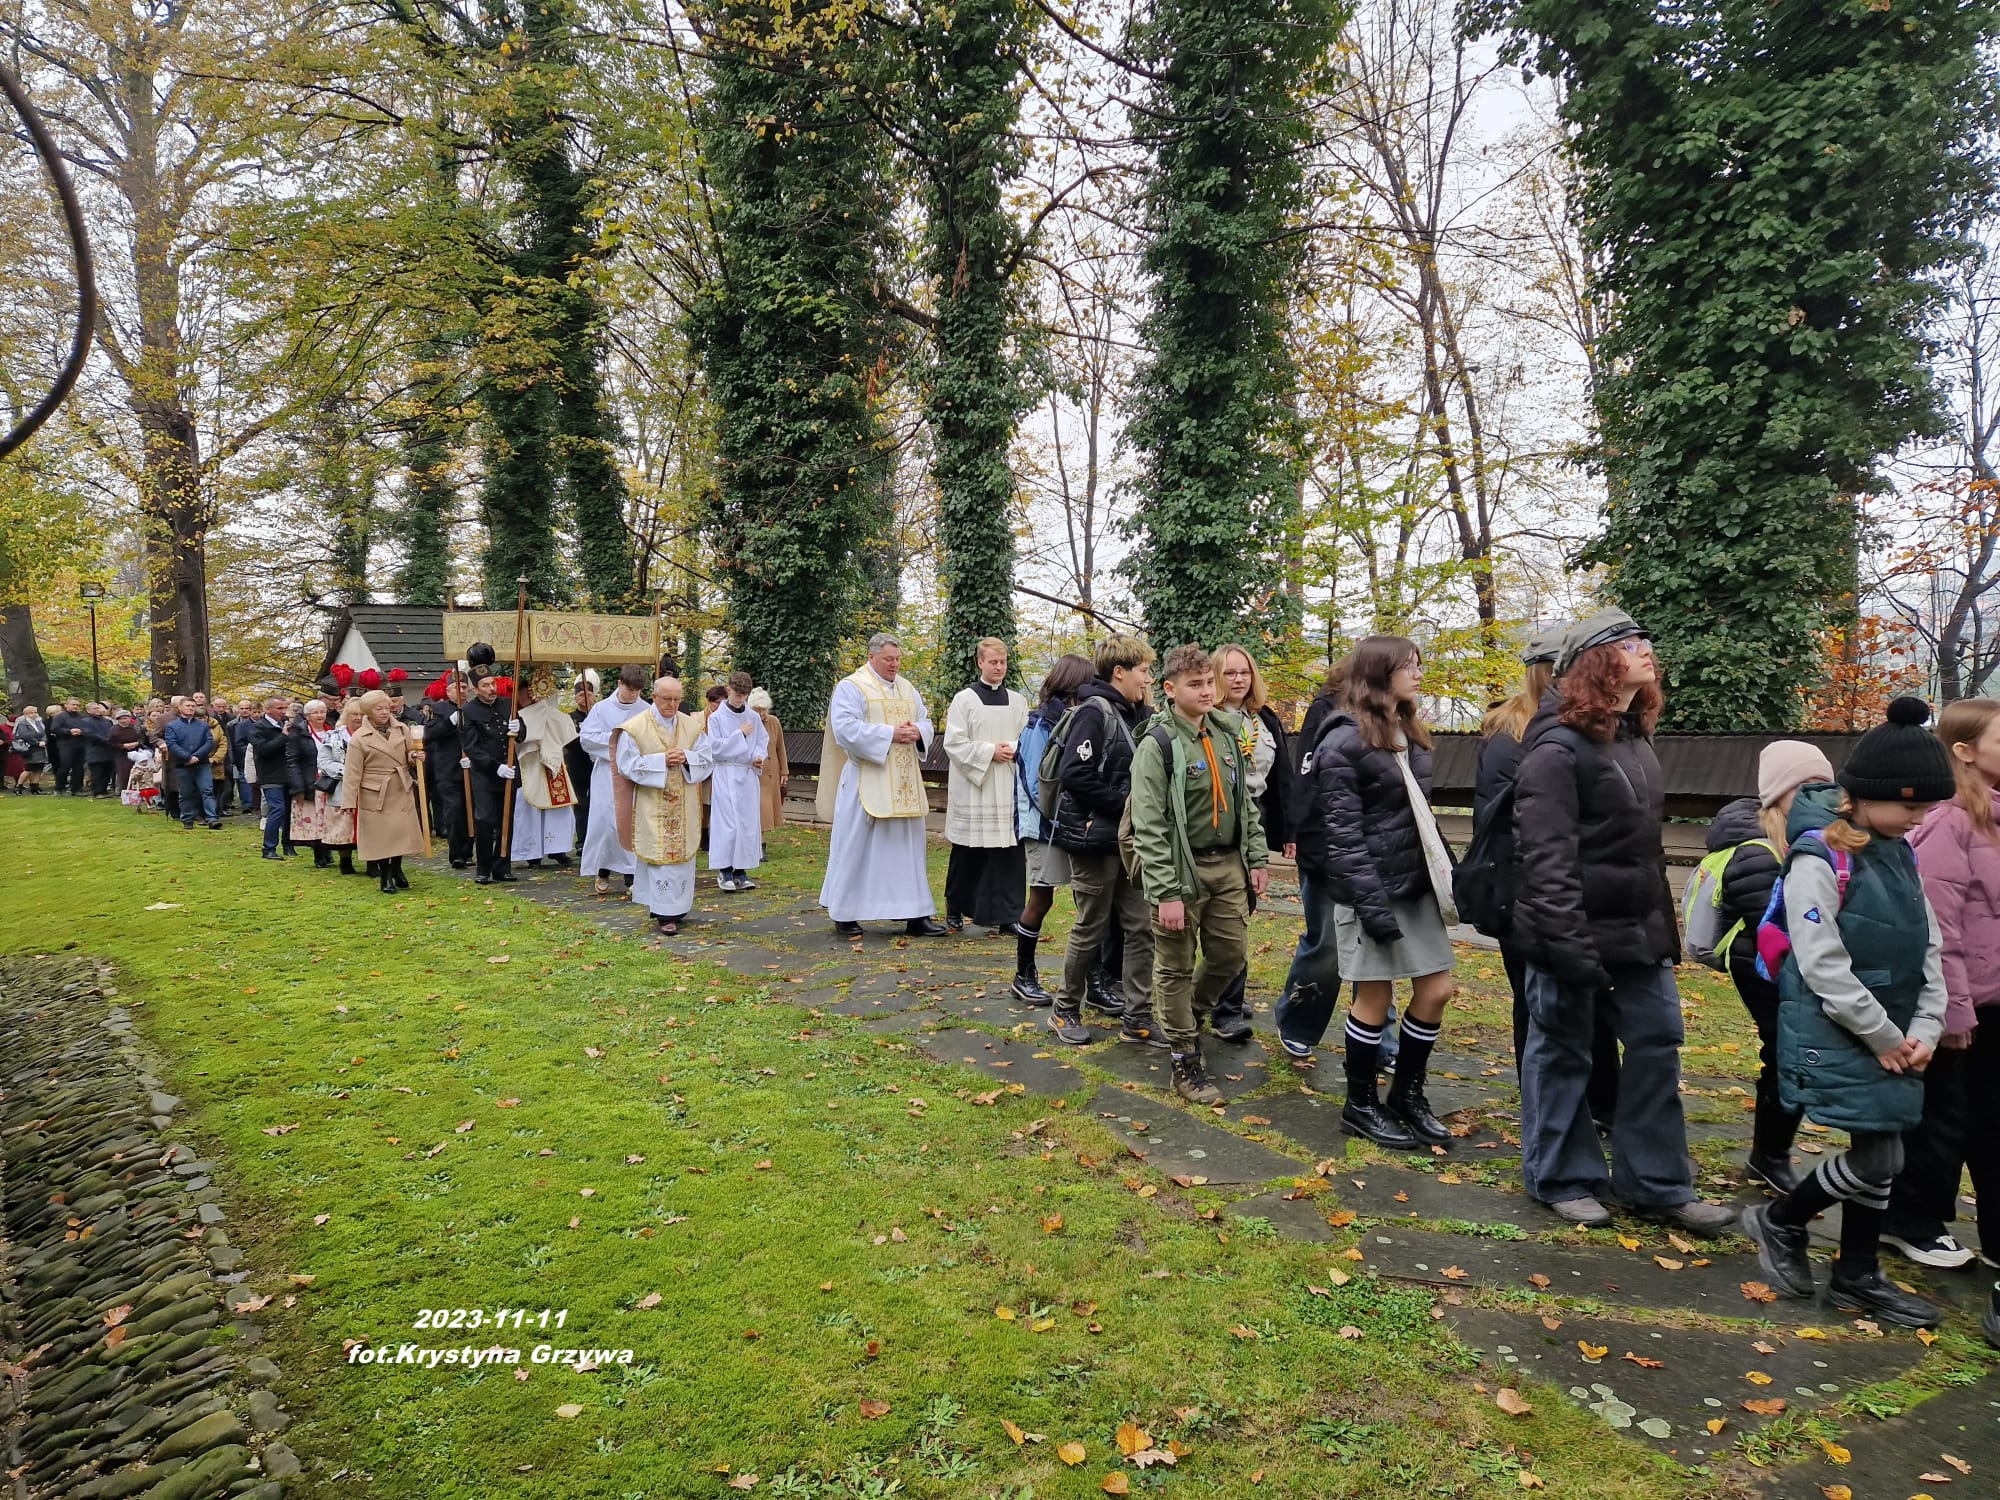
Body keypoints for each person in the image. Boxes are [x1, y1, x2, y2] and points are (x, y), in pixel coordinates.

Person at [1514, 608, 1731, 1233]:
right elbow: (1544, 861)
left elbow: (1642, 855)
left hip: (1638, 937)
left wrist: (1662, 934)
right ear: (1596, 662)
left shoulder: (1635, 739)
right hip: (1570, 937)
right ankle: (1561, 1178)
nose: (1645, 650)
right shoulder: (1556, 748)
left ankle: (1657, 1184)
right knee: (1561, 1054)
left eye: (1645, 640)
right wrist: (1570, 950)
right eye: (1629, 643)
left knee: (1658, 1046)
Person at [1738, 698, 1953, 1329]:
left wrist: (1926, 1025)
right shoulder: (1819, 859)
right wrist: (1885, 1035)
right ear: (1865, 795)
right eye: (1910, 807)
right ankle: (1780, 1219)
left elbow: (1928, 942)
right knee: (1880, 1157)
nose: (1917, 822)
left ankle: (1858, 1270)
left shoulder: (1899, 850)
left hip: (1897, 1032)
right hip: (1846, 1029)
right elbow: (1822, 961)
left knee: (1880, 1137)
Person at [1294, 636, 1459, 1149]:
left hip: (1413, 888)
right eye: (1409, 666)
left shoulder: (1407, 733)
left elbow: (1417, 820)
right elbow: (1343, 838)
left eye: (1418, 663)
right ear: (1379, 674)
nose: (1419, 673)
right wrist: (1372, 907)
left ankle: (1407, 1095)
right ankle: (1360, 1105)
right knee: (1375, 995)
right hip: (1369, 893)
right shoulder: (1343, 743)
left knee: (1437, 990)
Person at [1476, 629, 1617, 1121]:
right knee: (1536, 1002)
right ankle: (1549, 1106)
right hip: (1527, 893)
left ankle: (1600, 1101)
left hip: (1577, 890)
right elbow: (1513, 830)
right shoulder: (1513, 736)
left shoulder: (1582, 728)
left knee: (1591, 1000)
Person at [1884, 699, 2000, 1278]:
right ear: (1965, 750)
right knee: (1943, 1118)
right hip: (1965, 1002)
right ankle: (1911, 1221)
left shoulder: (1995, 816)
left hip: (1996, 999)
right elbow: (1938, 925)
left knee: (1990, 1118)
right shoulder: (1947, 821)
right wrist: (1953, 1013)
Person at [1127, 646, 1270, 1104]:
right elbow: (1149, 824)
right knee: (1175, 965)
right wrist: (1166, 891)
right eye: (1196, 684)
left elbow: (1245, 803)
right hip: (1180, 870)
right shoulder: (1158, 745)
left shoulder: (1227, 734)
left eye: (1210, 682)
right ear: (1170, 690)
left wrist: (1258, 857)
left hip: (1227, 864)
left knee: (1230, 955)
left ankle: (1187, 1018)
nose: (1208, 690)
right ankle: (1185, 1061)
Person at [1705, 740, 1834, 1197]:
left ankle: (1771, 1155)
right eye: (1808, 785)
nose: (1821, 793)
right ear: (1780, 789)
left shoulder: (1815, 835)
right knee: (1782, 1053)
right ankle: (1770, 1156)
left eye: (1825, 783)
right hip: (1761, 964)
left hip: (1803, 964)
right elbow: (1774, 921)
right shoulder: (1757, 847)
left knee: (1789, 1056)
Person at [1046, 635, 1159, 1047]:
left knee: (1141, 926)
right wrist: (1125, 805)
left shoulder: (1135, 713)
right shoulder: (1094, 712)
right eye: (1144, 670)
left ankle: (1138, 1015)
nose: (1149, 678)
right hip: (1094, 838)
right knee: (1090, 927)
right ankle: (1064, 1010)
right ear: (1120, 672)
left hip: (1128, 842)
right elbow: (1076, 775)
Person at [817, 633, 946, 939]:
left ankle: (914, 914)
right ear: (872, 656)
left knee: (908, 850)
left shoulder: (907, 687)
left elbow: (926, 720)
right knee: (855, 846)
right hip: (867, 778)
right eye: (889, 659)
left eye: (898, 659)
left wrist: (918, 731)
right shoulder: (852, 686)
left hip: (903, 782)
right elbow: (845, 729)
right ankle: (846, 912)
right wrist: (889, 734)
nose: (895, 665)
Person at [1208, 643, 1293, 1043]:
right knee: (1227, 914)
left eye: (1244, 672)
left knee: (1244, 908)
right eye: (1229, 673)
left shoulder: (1263, 719)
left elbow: (1282, 779)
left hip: (1254, 815)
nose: (1239, 680)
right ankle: (1222, 1002)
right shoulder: (1206, 720)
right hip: (1217, 820)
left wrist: (1286, 831)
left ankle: (1226, 994)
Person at [1009, 653, 1094, 1006]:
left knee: (1087, 899)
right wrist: (1061, 817)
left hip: (1072, 824)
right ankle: (1023, 975)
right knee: (1041, 898)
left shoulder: (1080, 720)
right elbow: (1036, 782)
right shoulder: (1039, 726)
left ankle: (1094, 979)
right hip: (1044, 826)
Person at [943, 638, 1030, 934]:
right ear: (980, 662)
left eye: (1003, 662)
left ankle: (1010, 916)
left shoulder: (1018, 701)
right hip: (976, 786)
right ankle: (955, 909)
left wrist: (1014, 748)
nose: (999, 667)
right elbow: (953, 742)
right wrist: (989, 752)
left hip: (1007, 784)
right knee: (970, 851)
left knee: (1008, 853)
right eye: (993, 662)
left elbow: (1028, 738)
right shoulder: (964, 700)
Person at [613, 674, 712, 934]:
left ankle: (679, 909)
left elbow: (707, 758)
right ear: (654, 697)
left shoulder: (691, 726)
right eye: (667, 698)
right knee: (660, 858)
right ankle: (662, 913)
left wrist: (687, 757)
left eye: (677, 699)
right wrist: (660, 761)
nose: (672, 704)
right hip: (653, 804)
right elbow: (626, 765)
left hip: (685, 805)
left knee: (681, 860)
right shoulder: (635, 727)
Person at [348, 688, 428, 895]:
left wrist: (415, 757)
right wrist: (349, 801)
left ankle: (397, 868)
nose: (384, 712)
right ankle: (385, 876)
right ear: (368, 711)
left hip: (400, 786)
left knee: (401, 833)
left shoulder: (401, 729)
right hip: (375, 791)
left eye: (386, 708)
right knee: (382, 837)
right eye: (378, 709)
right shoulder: (359, 738)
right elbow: (352, 772)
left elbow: (410, 752)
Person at [579, 665, 650, 894]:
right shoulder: (601, 709)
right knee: (606, 823)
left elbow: (651, 739)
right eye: (630, 689)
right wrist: (618, 741)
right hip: (607, 774)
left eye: (638, 691)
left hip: (633, 775)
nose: (634, 695)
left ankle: (631, 876)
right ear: (620, 684)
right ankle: (603, 870)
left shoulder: (647, 710)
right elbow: (587, 738)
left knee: (630, 822)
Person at [704, 670, 769, 892]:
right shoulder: (716, 718)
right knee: (728, 824)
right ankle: (725, 870)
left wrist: (758, 757)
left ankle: (741, 870)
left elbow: (762, 741)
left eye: (744, 695)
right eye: (737, 693)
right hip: (726, 774)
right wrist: (739, 735)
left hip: (746, 774)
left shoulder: (752, 716)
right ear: (728, 690)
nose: (740, 698)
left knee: (746, 824)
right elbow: (714, 748)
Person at [509, 666, 580, 871]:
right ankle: (532, 854)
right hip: (530, 766)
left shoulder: (549, 712)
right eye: (522, 695)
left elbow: (566, 730)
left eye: (528, 694)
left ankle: (557, 849)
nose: (526, 699)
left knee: (558, 810)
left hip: (553, 766)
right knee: (530, 809)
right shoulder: (517, 716)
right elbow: (520, 739)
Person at [461, 664, 519, 885]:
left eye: (493, 683)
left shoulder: (508, 705)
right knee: (485, 820)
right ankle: (483, 868)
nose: (491, 688)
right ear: (476, 689)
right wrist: (495, 766)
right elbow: (472, 747)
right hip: (486, 774)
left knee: (507, 820)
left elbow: (519, 735)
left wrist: (519, 727)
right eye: (485, 685)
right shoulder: (468, 712)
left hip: (509, 771)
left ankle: (503, 866)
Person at [422, 672, 474, 869]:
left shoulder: (473, 708)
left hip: (470, 767)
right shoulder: (438, 709)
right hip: (448, 769)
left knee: (472, 810)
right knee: (454, 811)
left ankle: (469, 851)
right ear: (448, 690)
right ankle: (457, 854)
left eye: (463, 687)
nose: (461, 691)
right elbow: (429, 734)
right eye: (456, 688)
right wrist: (450, 721)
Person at [318, 697, 364, 875]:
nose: (358, 718)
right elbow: (323, 761)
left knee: (368, 824)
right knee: (343, 826)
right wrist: (347, 771)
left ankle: (372, 861)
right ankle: (345, 861)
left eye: (362, 714)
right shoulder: (334, 736)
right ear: (347, 715)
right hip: (341, 786)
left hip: (367, 787)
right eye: (354, 714)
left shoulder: (373, 736)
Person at [163, 696, 222, 829]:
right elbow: (172, 744)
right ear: (180, 708)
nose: (190, 708)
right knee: (186, 792)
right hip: (182, 765)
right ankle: (188, 818)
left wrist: (196, 756)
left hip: (202, 764)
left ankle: (212, 818)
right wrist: (187, 757)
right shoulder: (172, 726)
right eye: (187, 706)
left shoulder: (203, 725)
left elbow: (209, 742)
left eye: (192, 706)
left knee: (207, 790)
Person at [289, 699, 332, 866]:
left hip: (330, 780)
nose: (320, 715)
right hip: (310, 780)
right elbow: (292, 760)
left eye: (322, 712)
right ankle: (318, 854)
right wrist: (298, 786)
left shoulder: (333, 729)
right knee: (313, 819)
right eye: (316, 712)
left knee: (328, 817)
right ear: (307, 715)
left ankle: (329, 850)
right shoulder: (298, 732)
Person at [250, 698, 295, 858]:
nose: (283, 711)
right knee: (277, 809)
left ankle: (288, 845)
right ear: (267, 709)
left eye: (285, 707)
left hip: (288, 774)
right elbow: (263, 750)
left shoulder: (286, 723)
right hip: (270, 775)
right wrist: (283, 736)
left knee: (289, 811)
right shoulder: (258, 727)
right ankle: (269, 848)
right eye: (279, 708)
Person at [749, 687, 788, 832]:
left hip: (772, 772)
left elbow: (780, 747)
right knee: (757, 808)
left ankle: (762, 842)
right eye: (758, 710)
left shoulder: (774, 722)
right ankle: (757, 842)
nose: (761, 713)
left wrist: (784, 771)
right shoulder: (748, 723)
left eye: (764, 709)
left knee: (767, 809)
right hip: (754, 772)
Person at [566, 670, 599, 839]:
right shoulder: (570, 718)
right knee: (581, 804)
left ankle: (595, 837)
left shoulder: (599, 715)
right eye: (580, 694)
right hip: (577, 764)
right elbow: (567, 741)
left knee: (597, 802)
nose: (585, 698)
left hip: (597, 765)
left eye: (588, 694)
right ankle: (581, 839)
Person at [50, 697, 85, 795]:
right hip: (66, 744)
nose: (75, 707)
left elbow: (87, 728)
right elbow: (54, 729)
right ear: (66, 705)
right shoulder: (60, 717)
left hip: (80, 744)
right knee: (65, 766)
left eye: (77, 705)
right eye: (73, 704)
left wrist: (81, 731)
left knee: (79, 768)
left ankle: (76, 789)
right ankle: (59, 788)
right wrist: (69, 731)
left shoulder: (82, 717)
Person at [9, 703, 45, 793]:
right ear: (26, 714)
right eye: (31, 713)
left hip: (40, 748)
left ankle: (35, 787)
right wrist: (37, 743)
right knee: (29, 768)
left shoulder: (38, 722)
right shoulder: (22, 723)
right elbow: (25, 735)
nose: (34, 714)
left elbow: (44, 733)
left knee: (39, 768)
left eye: (35, 712)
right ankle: (19, 786)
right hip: (29, 748)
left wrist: (44, 741)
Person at [83, 702, 115, 797]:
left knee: (107, 770)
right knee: (97, 772)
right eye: (95, 708)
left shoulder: (107, 721)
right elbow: (90, 734)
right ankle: (97, 791)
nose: (98, 710)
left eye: (98, 708)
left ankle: (104, 790)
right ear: (88, 710)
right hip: (95, 749)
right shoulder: (85, 721)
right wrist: (105, 740)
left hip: (108, 750)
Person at [230, 699, 257, 813]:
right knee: (243, 779)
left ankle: (254, 802)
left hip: (256, 755)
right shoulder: (232, 724)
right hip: (241, 756)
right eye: (242, 708)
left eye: (247, 708)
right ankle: (247, 803)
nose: (245, 711)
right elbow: (234, 742)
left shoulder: (258, 724)